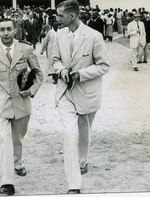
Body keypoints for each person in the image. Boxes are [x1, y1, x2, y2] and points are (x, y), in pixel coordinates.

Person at [52, 0, 110, 194]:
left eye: (60, 15)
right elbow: (54, 60)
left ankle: (83, 160)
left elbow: (104, 66)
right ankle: (74, 184)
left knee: (84, 132)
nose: (57, 19)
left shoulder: (94, 36)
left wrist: (80, 74)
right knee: (69, 135)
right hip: (65, 93)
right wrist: (61, 71)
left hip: (87, 94)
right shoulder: (58, 34)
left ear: (72, 16)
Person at [0, 18, 43, 195]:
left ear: (15, 30)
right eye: (2, 30)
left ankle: (17, 163)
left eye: (9, 29)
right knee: (4, 139)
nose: (6, 33)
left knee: (18, 138)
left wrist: (31, 90)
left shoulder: (26, 49)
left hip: (21, 103)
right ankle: (7, 182)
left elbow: (38, 74)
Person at [40, 19, 59, 84]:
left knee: (59, 62)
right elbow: (45, 41)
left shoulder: (61, 32)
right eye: (54, 25)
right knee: (52, 64)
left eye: (56, 25)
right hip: (51, 50)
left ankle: (58, 76)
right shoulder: (50, 32)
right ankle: (55, 78)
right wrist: (42, 50)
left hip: (59, 50)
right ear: (52, 26)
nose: (55, 26)